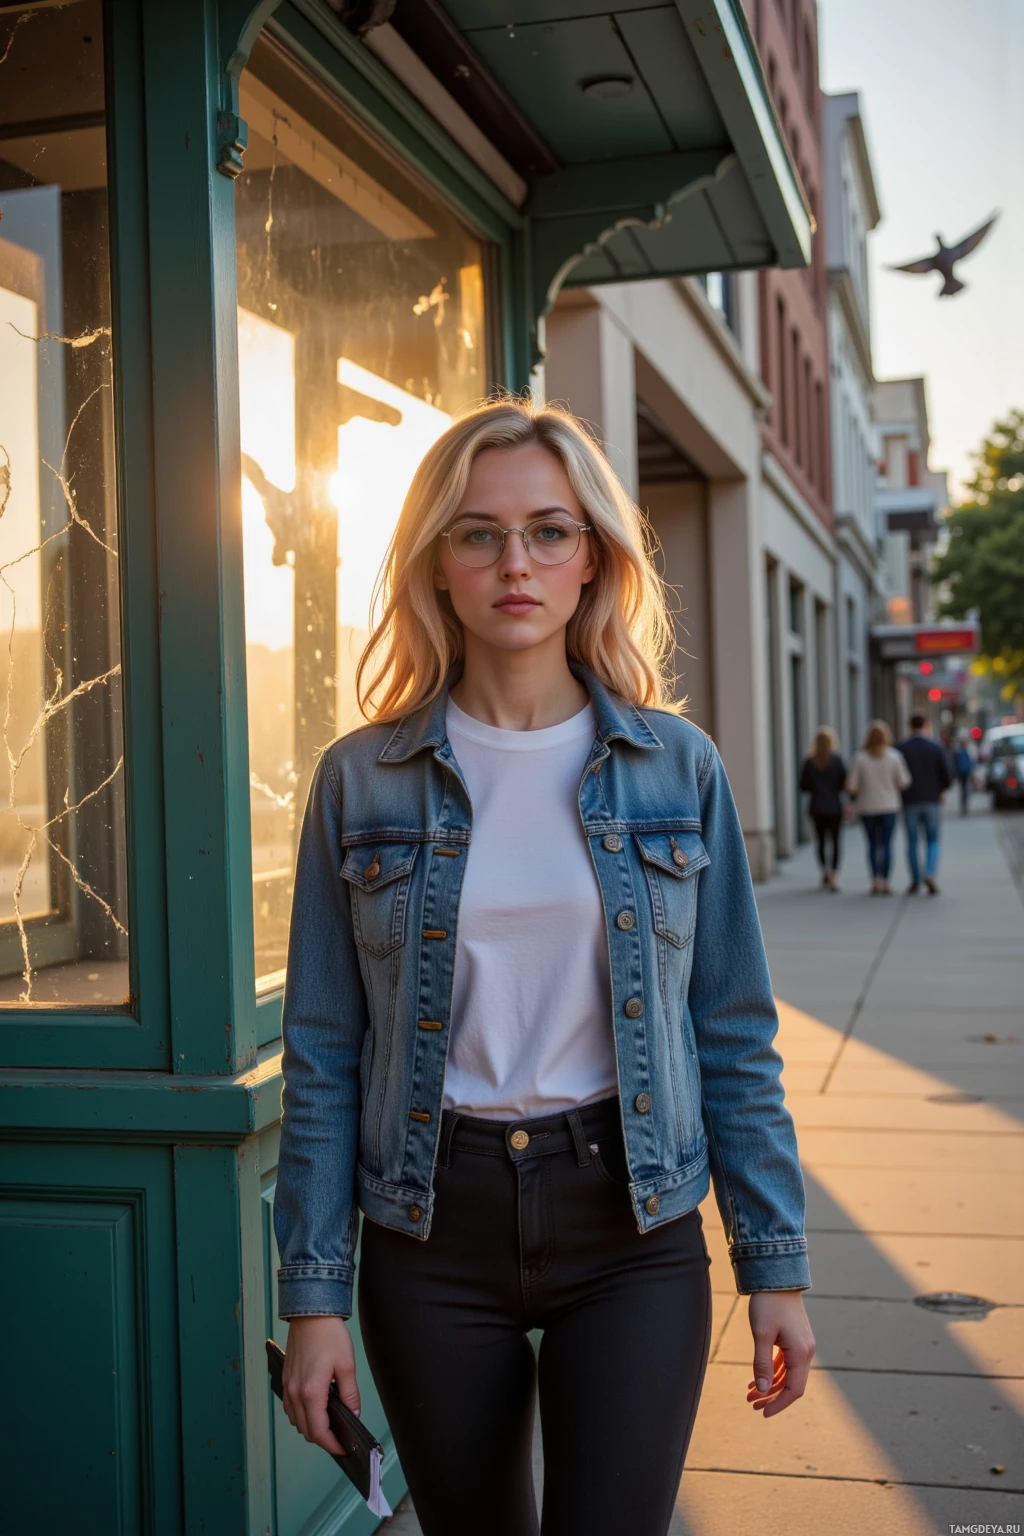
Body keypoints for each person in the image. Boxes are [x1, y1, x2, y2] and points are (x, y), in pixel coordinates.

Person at [273, 399, 815, 1536]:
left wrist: (774, 1262)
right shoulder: (360, 781)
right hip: (432, 1232)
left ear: (593, 561)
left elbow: (731, 1029)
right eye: (476, 532)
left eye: (548, 531)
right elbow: (325, 1052)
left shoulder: (677, 767)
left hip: (632, 1219)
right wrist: (314, 1300)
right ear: (436, 564)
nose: (513, 561)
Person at [845, 721, 911, 894]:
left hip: (867, 807)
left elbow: (851, 786)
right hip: (889, 806)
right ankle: (886, 881)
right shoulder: (894, 756)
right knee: (887, 844)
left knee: (873, 844)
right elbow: (904, 782)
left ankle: (875, 880)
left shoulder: (860, 757)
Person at [899, 711, 953, 893]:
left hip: (910, 801)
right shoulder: (935, 747)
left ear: (910, 726)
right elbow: (947, 775)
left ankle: (915, 879)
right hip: (932, 800)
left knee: (912, 842)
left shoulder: (902, 748)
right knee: (932, 840)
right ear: (925, 725)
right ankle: (929, 872)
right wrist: (941, 790)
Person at [799, 727, 846, 891]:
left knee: (820, 841)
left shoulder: (810, 762)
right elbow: (843, 783)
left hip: (817, 807)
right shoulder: (837, 760)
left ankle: (824, 870)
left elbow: (803, 786)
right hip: (834, 807)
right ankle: (834, 874)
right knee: (836, 841)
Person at [953, 736, 974, 817]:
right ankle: (964, 806)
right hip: (963, 773)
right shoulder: (961, 752)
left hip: (964, 773)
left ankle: (964, 806)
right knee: (964, 790)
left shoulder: (962, 752)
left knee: (964, 790)